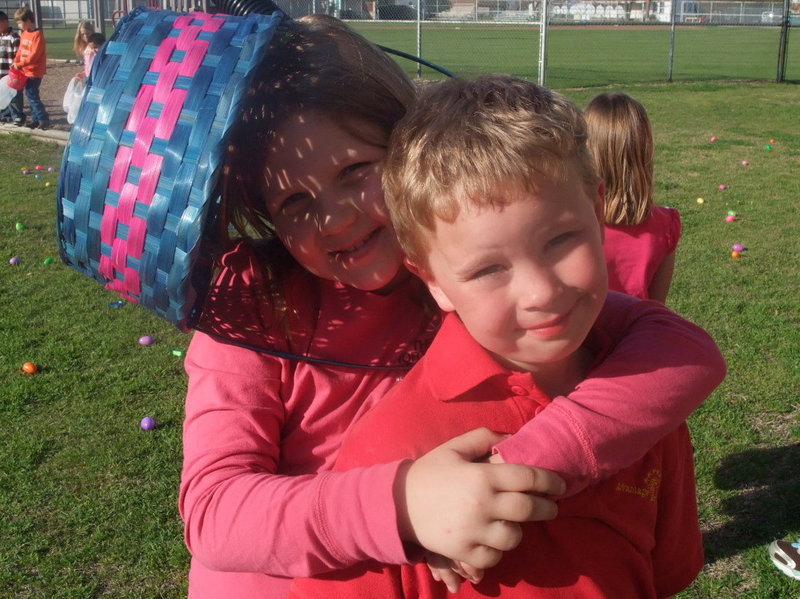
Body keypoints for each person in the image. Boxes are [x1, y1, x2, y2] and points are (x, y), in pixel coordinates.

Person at [179, 16, 725, 599]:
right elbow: (214, 512)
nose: (335, 217)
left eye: (357, 171)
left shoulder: (474, 273)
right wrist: (404, 504)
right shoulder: (248, 304)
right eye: (293, 200)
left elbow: (677, 348)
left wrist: (514, 467)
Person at [289, 74, 711, 599]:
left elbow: (663, 573)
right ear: (433, 281)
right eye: (488, 270)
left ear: (597, 213)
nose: (540, 292)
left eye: (561, 239)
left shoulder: (645, 400)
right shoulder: (392, 454)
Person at [585, 92, 680, 302]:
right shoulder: (667, 225)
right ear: (644, 152)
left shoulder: (573, 223)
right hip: (636, 334)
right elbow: (655, 308)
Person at [12, 6, 48, 130]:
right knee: (30, 94)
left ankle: (43, 118)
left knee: (32, 94)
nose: (19, 25)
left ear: (28, 20)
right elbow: (21, 51)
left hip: (34, 71)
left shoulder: (37, 35)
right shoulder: (25, 34)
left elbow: (34, 55)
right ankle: (35, 119)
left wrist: (20, 64)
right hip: (25, 70)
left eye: (20, 22)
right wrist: (16, 61)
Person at [0, 11, 23, 124]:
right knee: (3, 94)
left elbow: (18, 55)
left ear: (5, 22)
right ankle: (5, 114)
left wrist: (15, 68)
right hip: (1, 71)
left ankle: (17, 116)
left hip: (11, 73)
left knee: (14, 94)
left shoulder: (14, 37)